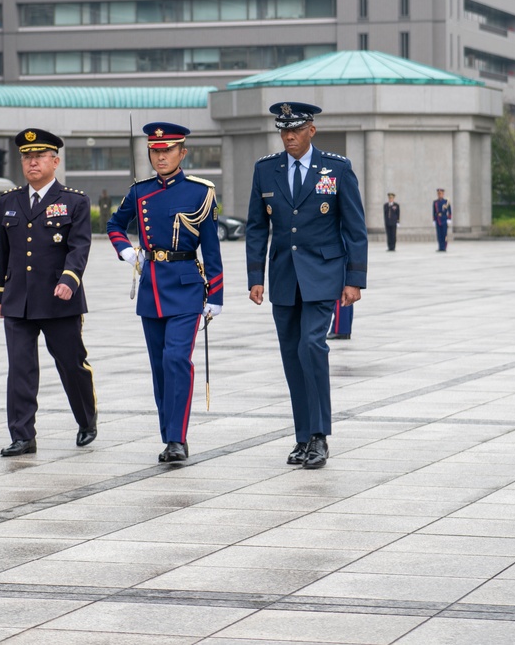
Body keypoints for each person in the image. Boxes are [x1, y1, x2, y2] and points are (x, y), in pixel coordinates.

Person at [245, 101, 368, 469]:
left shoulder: (337, 168)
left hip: (323, 275)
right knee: (291, 356)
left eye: (296, 130)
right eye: (284, 131)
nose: (289, 137)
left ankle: (319, 435)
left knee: (312, 347)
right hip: (283, 276)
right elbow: (256, 227)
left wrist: (355, 280)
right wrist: (255, 278)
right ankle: (302, 437)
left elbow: (355, 228)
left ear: (311, 130)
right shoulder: (266, 170)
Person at [106, 121, 223, 464]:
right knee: (159, 367)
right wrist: (126, 251)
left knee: (176, 360)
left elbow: (211, 248)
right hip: (152, 287)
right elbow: (115, 224)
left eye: (167, 150)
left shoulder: (200, 192)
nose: (160, 156)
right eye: (155, 151)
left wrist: (215, 294)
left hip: (186, 286)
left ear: (182, 152)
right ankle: (168, 435)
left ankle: (177, 439)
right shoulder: (139, 191)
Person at [0, 128, 98, 457]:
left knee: (71, 363)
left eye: (38, 156)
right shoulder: (9, 201)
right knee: (20, 368)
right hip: (18, 300)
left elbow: (79, 246)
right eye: (26, 157)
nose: (31, 162)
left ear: (55, 161)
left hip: (59, 299)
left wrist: (70, 278)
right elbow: (3, 250)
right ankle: (23, 435)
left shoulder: (74, 201)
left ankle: (86, 419)